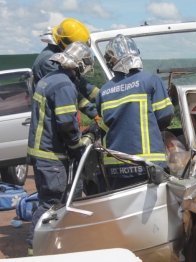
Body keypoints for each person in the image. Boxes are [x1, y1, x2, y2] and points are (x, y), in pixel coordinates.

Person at [26, 41, 94, 255]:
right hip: (52, 157)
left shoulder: (49, 79)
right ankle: (34, 249)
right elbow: (66, 123)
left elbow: (76, 102)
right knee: (52, 204)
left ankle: (49, 249)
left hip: (41, 155)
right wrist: (78, 144)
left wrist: (94, 111)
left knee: (48, 202)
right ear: (80, 64)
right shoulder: (64, 85)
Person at [96, 34, 173, 189]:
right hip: (148, 166)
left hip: (115, 168)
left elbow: (104, 127)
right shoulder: (151, 81)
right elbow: (165, 116)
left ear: (110, 62)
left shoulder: (103, 92)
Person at [32, 18, 100, 123]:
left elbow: (80, 82)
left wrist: (103, 97)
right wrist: (94, 113)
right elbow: (69, 89)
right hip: (51, 119)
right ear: (67, 44)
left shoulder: (60, 55)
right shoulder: (50, 61)